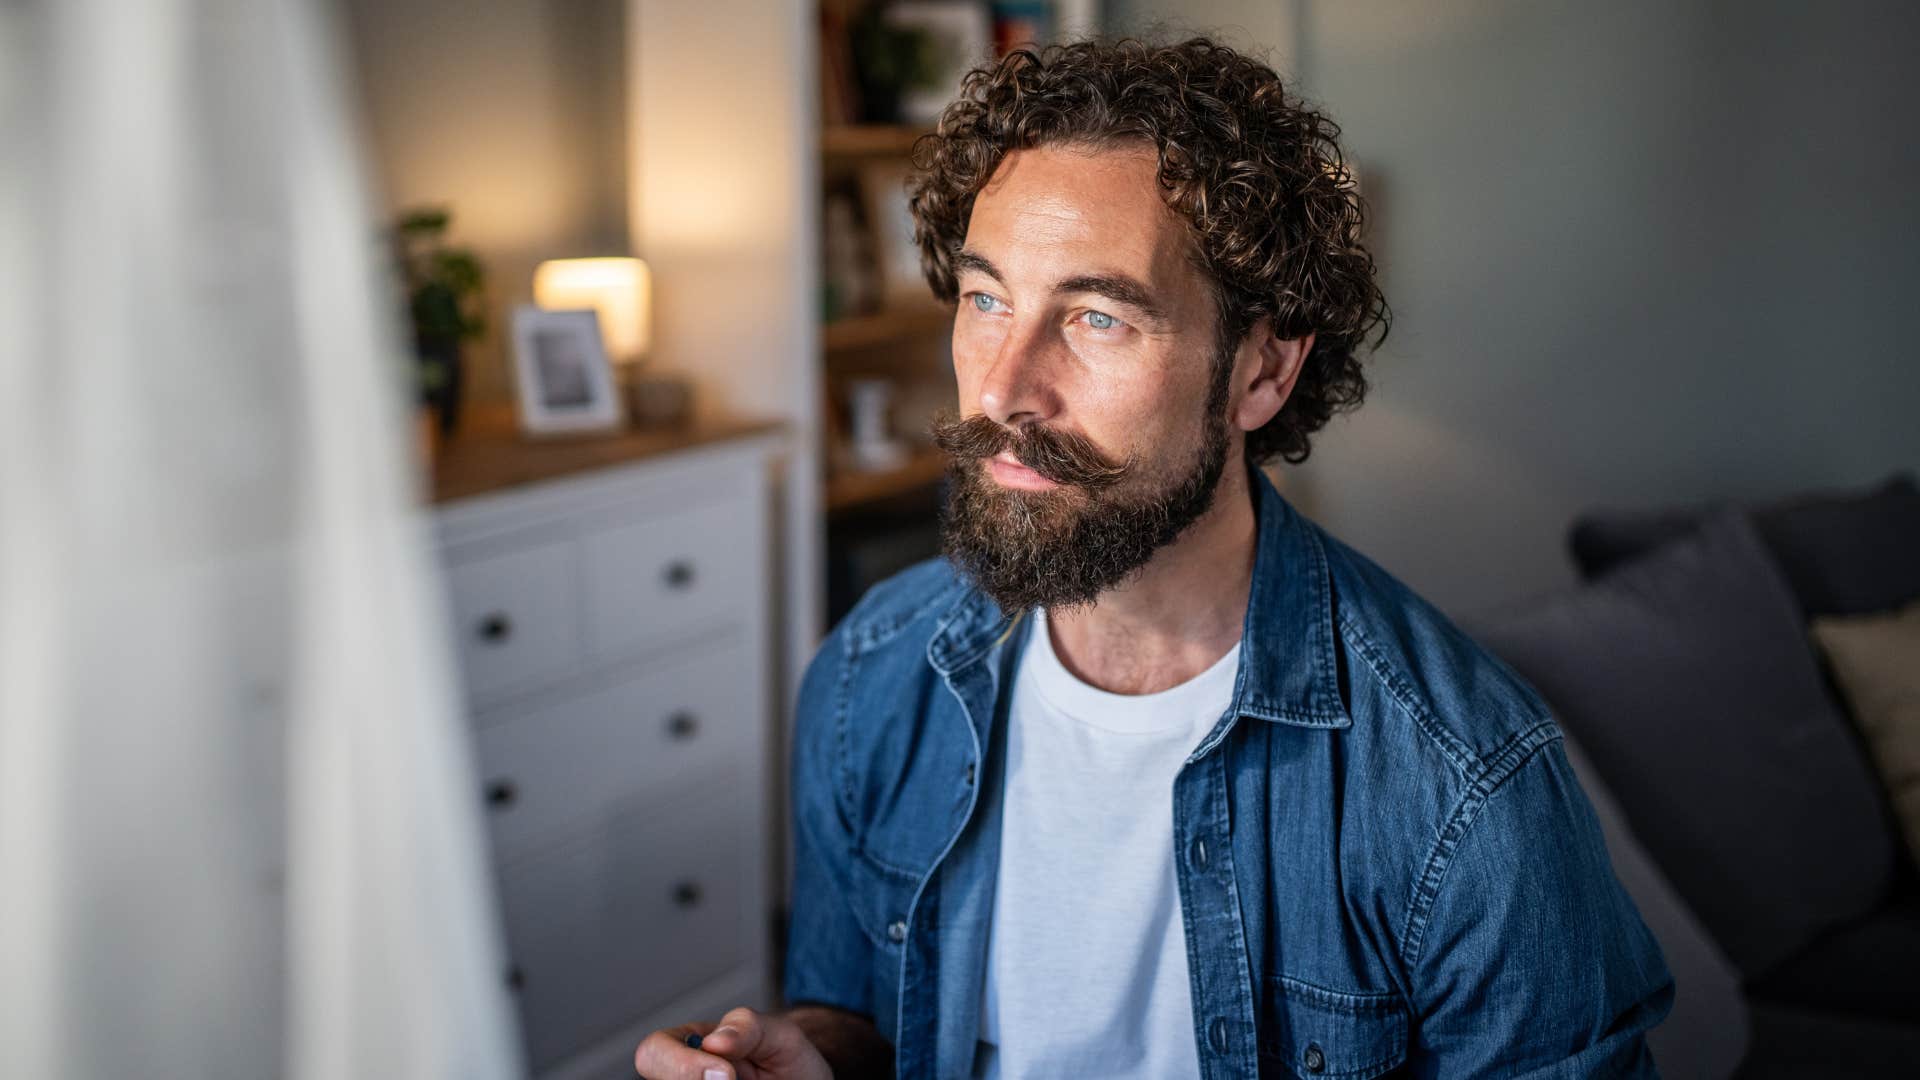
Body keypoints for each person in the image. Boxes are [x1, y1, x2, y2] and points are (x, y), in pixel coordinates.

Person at [636, 36, 1672, 1080]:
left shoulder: (1464, 785)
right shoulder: (873, 673)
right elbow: (860, 1008)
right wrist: (817, 1056)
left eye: (1096, 318)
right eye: (987, 299)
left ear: (1262, 371)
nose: (1002, 390)